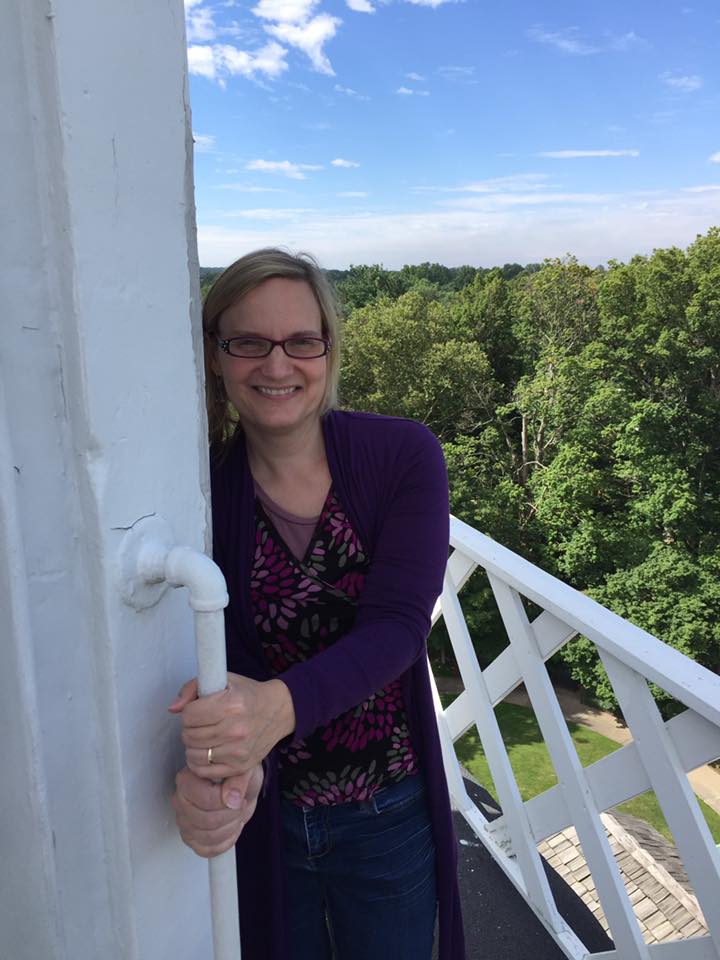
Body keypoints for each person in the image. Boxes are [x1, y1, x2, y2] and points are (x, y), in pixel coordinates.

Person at [168, 248, 465, 960]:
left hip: (388, 810)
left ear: (328, 349)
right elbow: (215, 661)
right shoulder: (200, 493)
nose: (278, 366)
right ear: (215, 354)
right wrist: (226, 771)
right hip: (267, 813)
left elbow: (396, 628)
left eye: (302, 341)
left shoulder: (401, 455)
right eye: (248, 342)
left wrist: (275, 711)